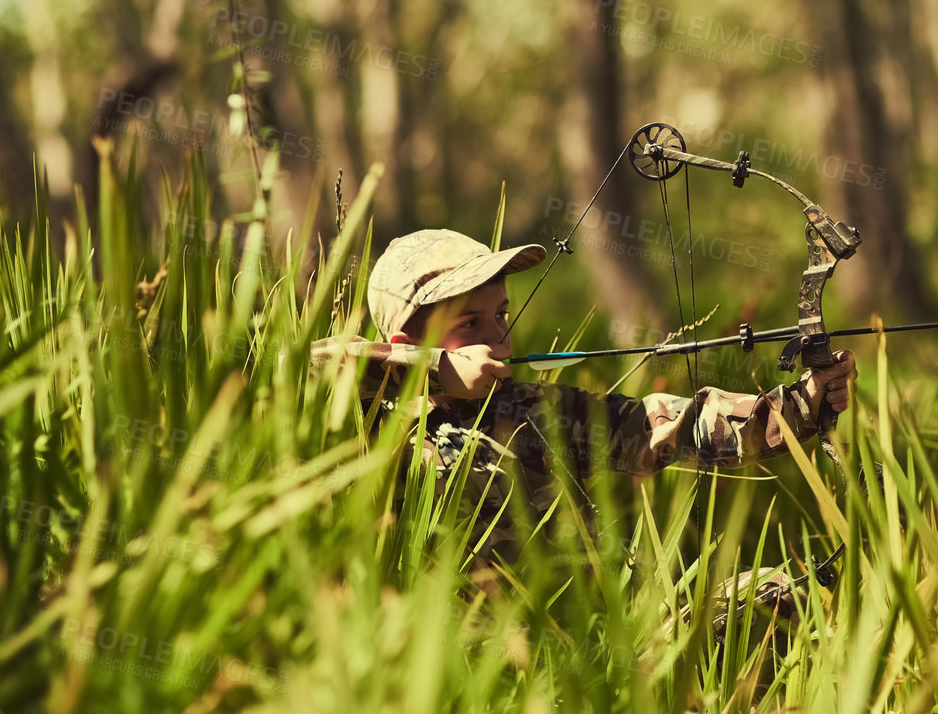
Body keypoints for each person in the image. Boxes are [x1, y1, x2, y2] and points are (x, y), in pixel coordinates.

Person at [310, 228, 856, 607]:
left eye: (500, 314)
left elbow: (666, 425)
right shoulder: (369, 420)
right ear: (406, 340)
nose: (497, 334)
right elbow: (314, 363)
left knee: (777, 594)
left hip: (586, 637)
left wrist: (805, 402)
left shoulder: (536, 410)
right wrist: (437, 372)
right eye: (468, 322)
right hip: (450, 650)